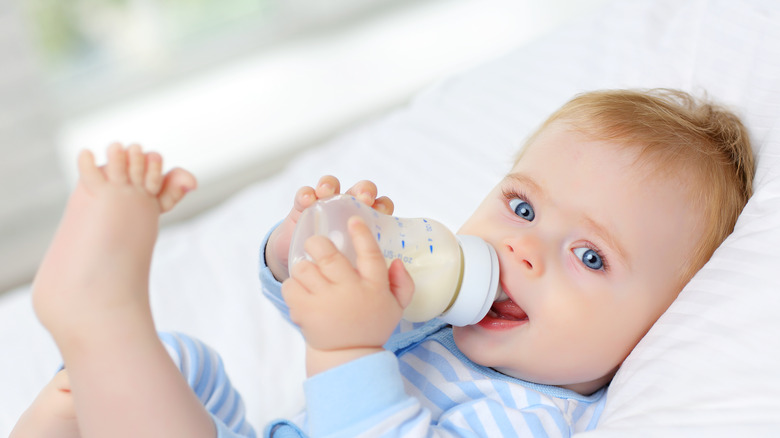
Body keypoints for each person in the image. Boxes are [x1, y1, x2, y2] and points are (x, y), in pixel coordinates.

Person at [12, 88, 754, 437]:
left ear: (660, 324)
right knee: (176, 367)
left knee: (126, 373)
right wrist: (303, 247)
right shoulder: (437, 319)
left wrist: (348, 348)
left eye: (589, 256)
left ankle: (102, 318)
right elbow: (302, 302)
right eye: (523, 208)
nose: (522, 247)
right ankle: (95, 364)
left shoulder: (534, 418)